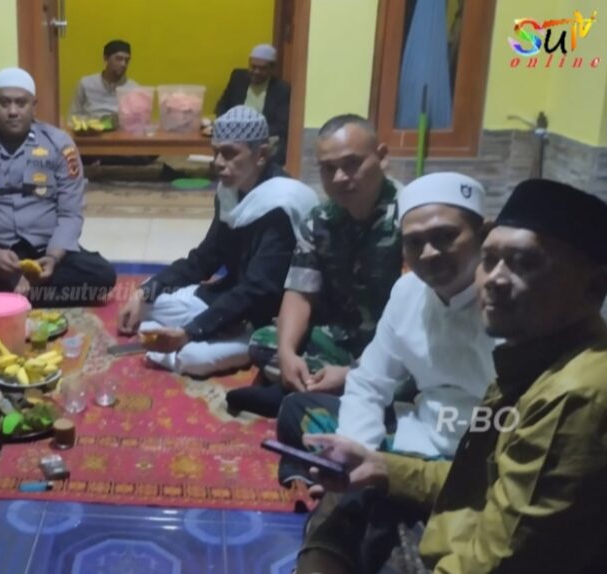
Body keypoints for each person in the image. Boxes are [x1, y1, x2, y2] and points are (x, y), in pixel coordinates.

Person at [300, 179, 607, 574]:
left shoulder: (573, 395)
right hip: (439, 466)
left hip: (457, 532)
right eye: (490, 259)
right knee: (331, 451)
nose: (495, 279)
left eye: (524, 263)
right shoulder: (530, 354)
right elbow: (480, 477)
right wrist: (381, 466)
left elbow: (500, 561)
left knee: (347, 514)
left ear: (595, 286)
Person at [275, 172, 496, 573]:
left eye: (445, 236)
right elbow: (368, 382)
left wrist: (376, 466)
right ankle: (358, 492)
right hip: (413, 434)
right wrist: (356, 452)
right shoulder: (409, 292)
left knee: (363, 509)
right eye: (414, 242)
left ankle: (365, 509)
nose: (429, 253)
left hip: (474, 464)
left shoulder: (510, 306)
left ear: (483, 235)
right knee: (296, 409)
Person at [117, 106, 317, 376]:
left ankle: (178, 345)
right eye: (215, 152)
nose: (219, 162)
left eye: (230, 153)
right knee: (149, 300)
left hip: (263, 316)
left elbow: (258, 290)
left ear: (261, 155)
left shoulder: (282, 203)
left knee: (194, 357)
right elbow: (204, 259)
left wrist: (191, 331)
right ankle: (174, 339)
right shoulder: (230, 192)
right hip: (230, 296)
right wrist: (144, 292)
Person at [226, 114, 403, 418]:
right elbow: (299, 292)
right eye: (328, 168)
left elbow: (419, 322)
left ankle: (309, 395)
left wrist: (352, 374)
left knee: (418, 373)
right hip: (344, 338)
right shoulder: (320, 220)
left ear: (382, 157)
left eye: (352, 164)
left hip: (396, 347)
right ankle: (325, 391)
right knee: (263, 343)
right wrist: (287, 353)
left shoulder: (410, 217)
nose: (339, 178)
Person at [0, 67, 117, 306]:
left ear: (34, 106)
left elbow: (70, 213)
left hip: (44, 249)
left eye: (21, 103)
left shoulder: (60, 145)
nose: (13, 111)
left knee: (102, 275)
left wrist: (53, 257)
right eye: (4, 103)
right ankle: (30, 294)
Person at [215, 44, 291, 165]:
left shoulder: (281, 89)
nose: (256, 72)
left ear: (272, 69)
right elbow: (222, 106)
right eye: (253, 67)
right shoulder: (238, 78)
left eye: (262, 68)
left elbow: (281, 125)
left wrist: (252, 132)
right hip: (232, 134)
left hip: (259, 140)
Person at [69, 39, 138, 119]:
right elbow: (73, 116)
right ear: (106, 58)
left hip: (120, 126)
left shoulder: (133, 88)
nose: (123, 64)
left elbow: (138, 121)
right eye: (119, 59)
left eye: (127, 60)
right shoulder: (86, 83)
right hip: (90, 125)